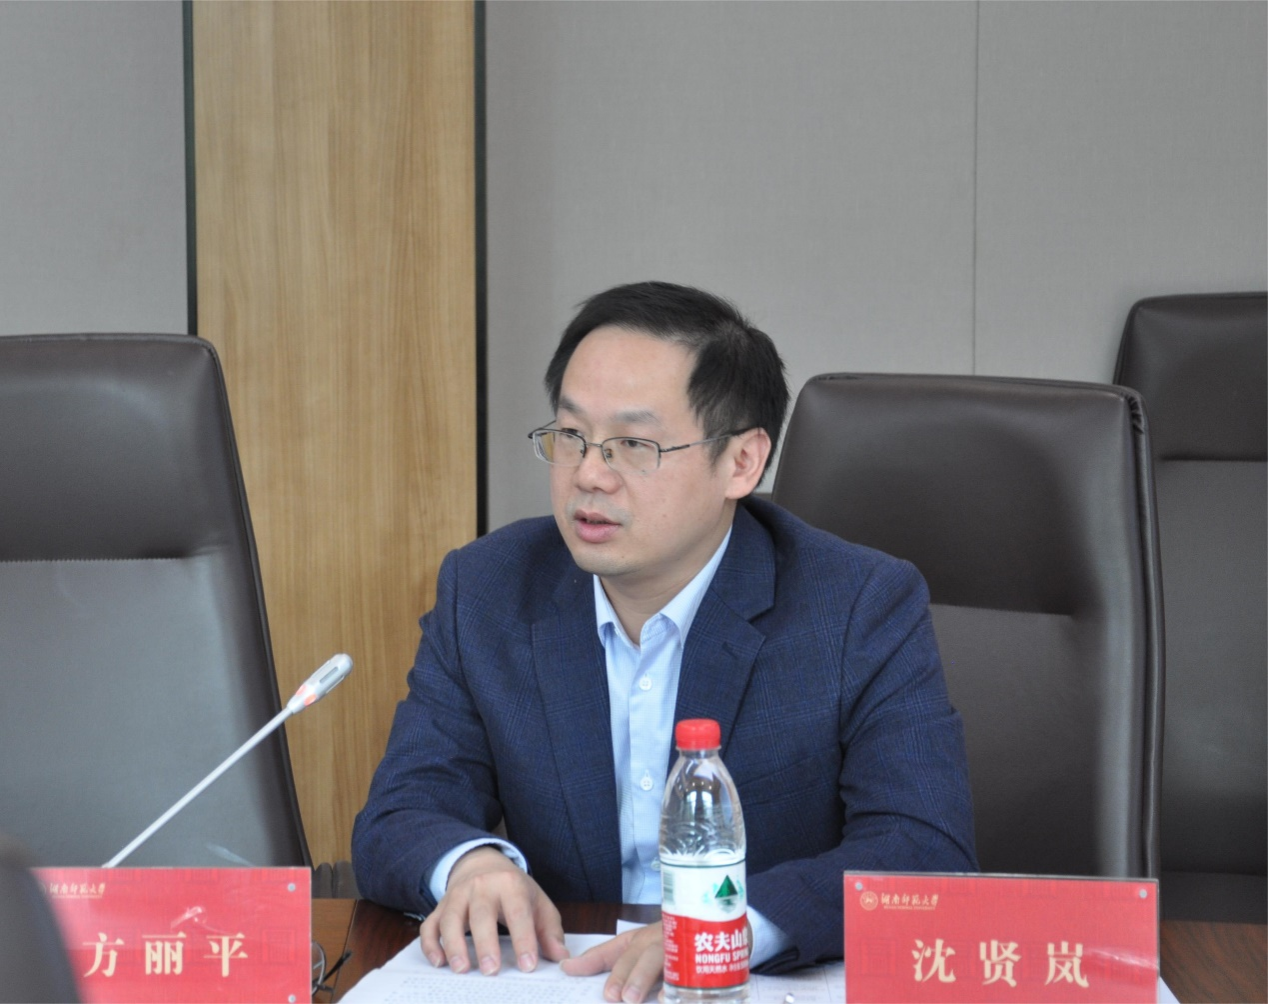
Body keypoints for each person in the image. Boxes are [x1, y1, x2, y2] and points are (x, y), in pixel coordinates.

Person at [352, 281, 976, 1003]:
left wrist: (727, 929)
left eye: (633, 445)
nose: (589, 474)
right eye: (572, 436)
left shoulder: (857, 605)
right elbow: (400, 811)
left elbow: (923, 850)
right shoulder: (489, 589)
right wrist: (470, 865)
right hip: (568, 983)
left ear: (741, 463)